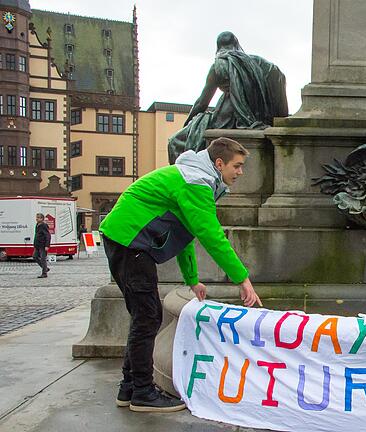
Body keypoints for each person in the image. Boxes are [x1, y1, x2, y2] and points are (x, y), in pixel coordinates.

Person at [99, 137, 262, 413]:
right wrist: (242, 279)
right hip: (131, 243)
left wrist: (192, 280)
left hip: (126, 240)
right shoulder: (197, 182)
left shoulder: (194, 178)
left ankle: (130, 388)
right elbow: (211, 235)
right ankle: (142, 392)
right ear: (219, 164)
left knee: (144, 316)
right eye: (237, 165)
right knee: (148, 317)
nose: (240, 172)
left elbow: (184, 234)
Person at [168, 31, 288, 163]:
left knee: (175, 141)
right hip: (257, 114)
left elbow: (202, 103)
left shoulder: (218, 65)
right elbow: (278, 77)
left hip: (227, 116)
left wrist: (189, 123)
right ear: (236, 44)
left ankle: (183, 175)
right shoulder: (259, 63)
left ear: (218, 47)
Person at [32, 213, 50, 278]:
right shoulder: (37, 225)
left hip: (42, 245)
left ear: (42, 219)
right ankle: (45, 268)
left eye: (38, 217)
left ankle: (44, 273)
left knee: (43, 259)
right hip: (37, 245)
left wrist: (47, 245)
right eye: (36, 217)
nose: (36, 219)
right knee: (35, 256)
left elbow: (47, 236)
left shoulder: (44, 225)